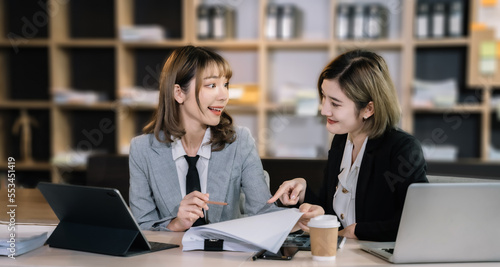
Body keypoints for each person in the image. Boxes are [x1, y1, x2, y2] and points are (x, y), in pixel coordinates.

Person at [129, 45, 323, 232]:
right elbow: (142, 225)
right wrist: (175, 224)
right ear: (179, 93)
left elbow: (263, 212)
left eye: (226, 85)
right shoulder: (142, 149)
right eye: (212, 85)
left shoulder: (240, 141)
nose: (224, 95)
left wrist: (297, 218)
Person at [268, 49, 428, 241]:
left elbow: (415, 222)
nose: (324, 109)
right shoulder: (342, 140)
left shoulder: (402, 149)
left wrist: (354, 231)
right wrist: (303, 192)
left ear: (369, 108)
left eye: (335, 103)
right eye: (323, 97)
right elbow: (331, 212)